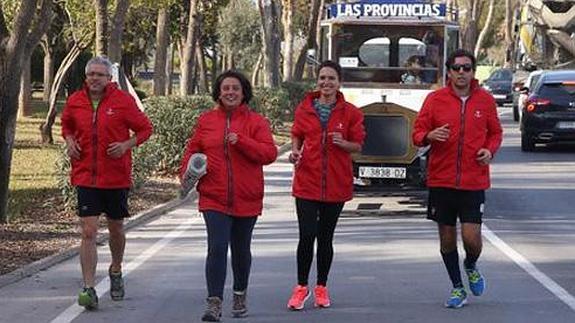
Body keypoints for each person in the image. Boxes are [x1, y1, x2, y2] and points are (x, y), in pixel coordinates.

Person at [179, 70, 277, 322]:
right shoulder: (206, 120)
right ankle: (214, 303)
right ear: (219, 93)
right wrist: (186, 173)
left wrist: (242, 141)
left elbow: (269, 154)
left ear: (244, 92)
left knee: (241, 250)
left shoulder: (256, 122)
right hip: (214, 196)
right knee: (217, 248)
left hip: (247, 197)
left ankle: (239, 293)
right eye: (226, 89)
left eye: (235, 88)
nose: (230, 92)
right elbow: (193, 150)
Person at [412, 49, 503, 309]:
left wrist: (489, 150)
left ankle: (471, 265)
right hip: (441, 180)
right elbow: (417, 133)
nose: (461, 72)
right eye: (456, 68)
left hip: (474, 181)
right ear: (449, 72)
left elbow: (495, 133)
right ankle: (457, 287)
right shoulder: (435, 99)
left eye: (466, 68)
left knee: (472, 238)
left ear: (473, 72)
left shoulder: (485, 100)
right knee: (447, 239)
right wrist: (429, 135)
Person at [61, 56, 153, 310]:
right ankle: (89, 287)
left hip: (115, 177)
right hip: (85, 176)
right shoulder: (75, 101)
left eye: (100, 75)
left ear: (108, 78)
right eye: (91, 74)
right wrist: (69, 141)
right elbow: (66, 125)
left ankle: (115, 268)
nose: (95, 79)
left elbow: (145, 129)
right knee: (88, 232)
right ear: (86, 77)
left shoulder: (123, 102)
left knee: (116, 229)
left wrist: (126, 145)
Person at [287, 60, 365, 311]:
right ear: (317, 81)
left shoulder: (351, 112)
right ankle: (301, 287)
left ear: (339, 82)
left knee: (325, 237)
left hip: (335, 183)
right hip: (307, 181)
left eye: (331, 78)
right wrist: (296, 152)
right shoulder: (304, 108)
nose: (326, 83)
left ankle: (321, 286)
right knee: (306, 235)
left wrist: (343, 143)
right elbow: (297, 134)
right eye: (322, 78)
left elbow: (358, 146)